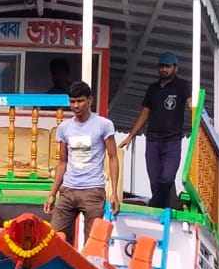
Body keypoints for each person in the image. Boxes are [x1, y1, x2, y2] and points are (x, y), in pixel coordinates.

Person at [44, 81, 119, 244]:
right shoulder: (64, 128)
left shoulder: (104, 125)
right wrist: (52, 194)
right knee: (56, 239)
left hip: (93, 191)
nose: (76, 105)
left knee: (92, 243)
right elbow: (62, 162)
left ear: (89, 100)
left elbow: (112, 157)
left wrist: (114, 192)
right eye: (72, 101)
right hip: (68, 190)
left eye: (80, 101)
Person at [119, 51, 191, 210]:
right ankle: (163, 210)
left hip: (172, 141)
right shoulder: (152, 89)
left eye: (167, 66)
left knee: (167, 178)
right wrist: (131, 135)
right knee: (155, 180)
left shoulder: (183, 86)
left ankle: (157, 207)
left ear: (175, 68)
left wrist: (200, 120)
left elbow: (191, 105)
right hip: (153, 140)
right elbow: (145, 112)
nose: (164, 69)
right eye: (161, 66)